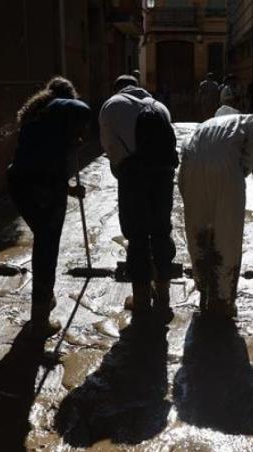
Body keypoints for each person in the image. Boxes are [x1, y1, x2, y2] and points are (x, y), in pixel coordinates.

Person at [7, 77, 91, 339]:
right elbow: (84, 111)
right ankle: (40, 319)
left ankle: (44, 301)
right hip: (42, 190)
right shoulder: (59, 112)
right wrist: (78, 132)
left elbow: (41, 166)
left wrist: (67, 188)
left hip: (21, 185)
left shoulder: (36, 119)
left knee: (43, 241)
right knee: (46, 249)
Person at [99, 75, 179, 314]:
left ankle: (141, 298)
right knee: (161, 232)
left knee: (137, 236)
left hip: (134, 176)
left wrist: (123, 172)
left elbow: (111, 149)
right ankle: (163, 293)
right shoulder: (159, 106)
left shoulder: (112, 105)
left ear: (117, 88)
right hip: (164, 176)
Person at [179, 107, 253, 317]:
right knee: (227, 236)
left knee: (198, 234)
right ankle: (223, 301)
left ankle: (203, 290)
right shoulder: (246, 120)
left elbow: (185, 152)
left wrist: (189, 197)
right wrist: (245, 166)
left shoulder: (202, 128)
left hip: (192, 173)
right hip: (226, 172)